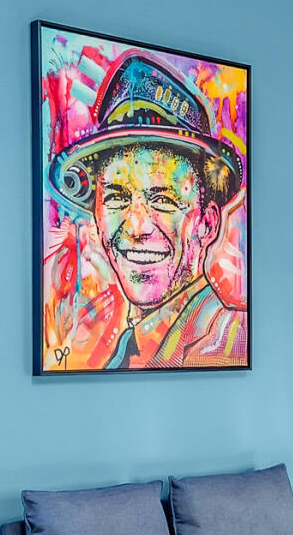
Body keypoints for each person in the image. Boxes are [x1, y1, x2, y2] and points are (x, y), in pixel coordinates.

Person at [41, 53, 247, 371]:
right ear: (96, 217)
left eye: (163, 200)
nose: (136, 227)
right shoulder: (127, 348)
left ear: (207, 224)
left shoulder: (234, 340)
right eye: (117, 198)